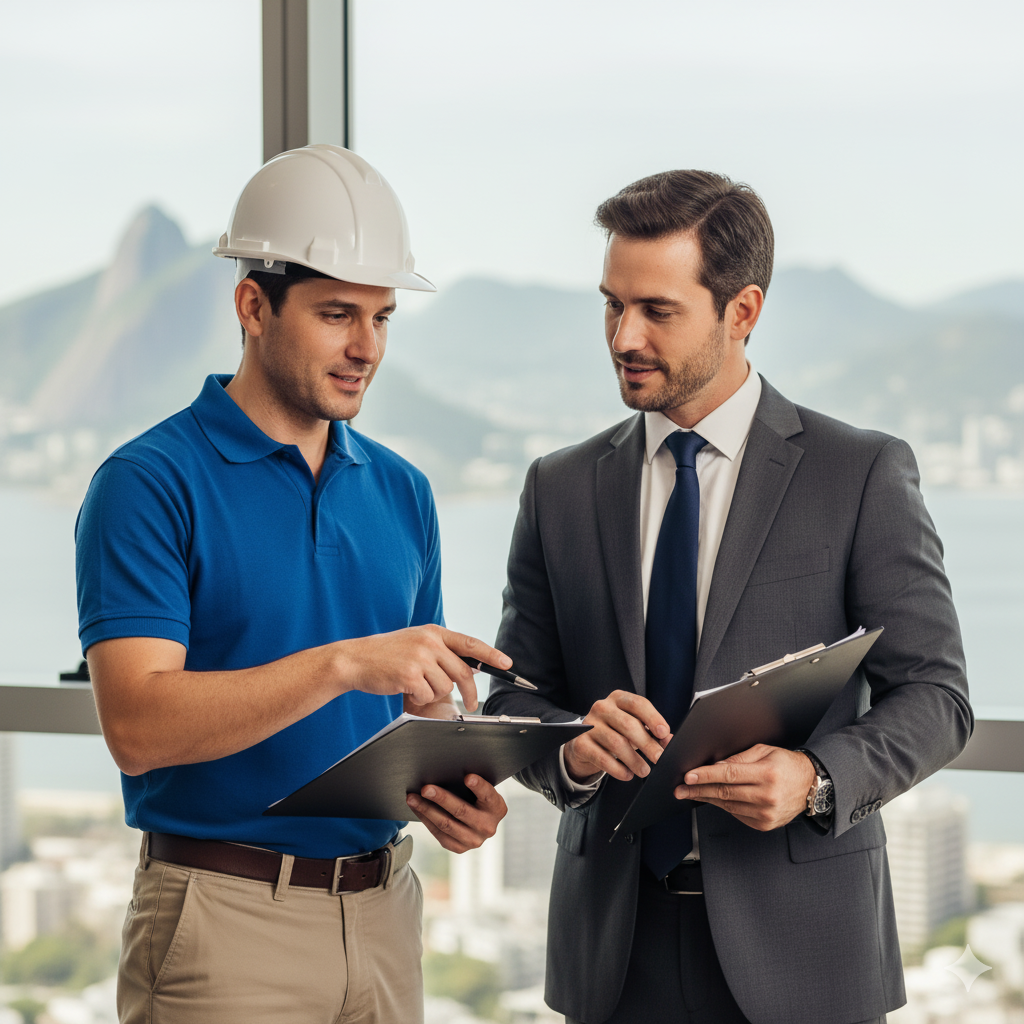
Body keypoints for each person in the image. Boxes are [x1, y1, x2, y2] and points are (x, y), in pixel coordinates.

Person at [483, 170, 972, 1024]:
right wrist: (570, 753)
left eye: (656, 311)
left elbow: (938, 695)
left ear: (741, 312)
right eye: (611, 305)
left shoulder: (857, 473)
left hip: (808, 951)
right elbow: (516, 697)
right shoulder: (558, 487)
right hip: (612, 950)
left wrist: (818, 777)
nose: (623, 335)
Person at [76, 144, 510, 1024]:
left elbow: (414, 709)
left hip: (386, 914)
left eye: (383, 318)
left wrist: (456, 796)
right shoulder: (150, 483)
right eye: (337, 314)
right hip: (223, 924)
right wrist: (344, 665)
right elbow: (137, 726)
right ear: (252, 305)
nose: (366, 348)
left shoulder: (402, 490)